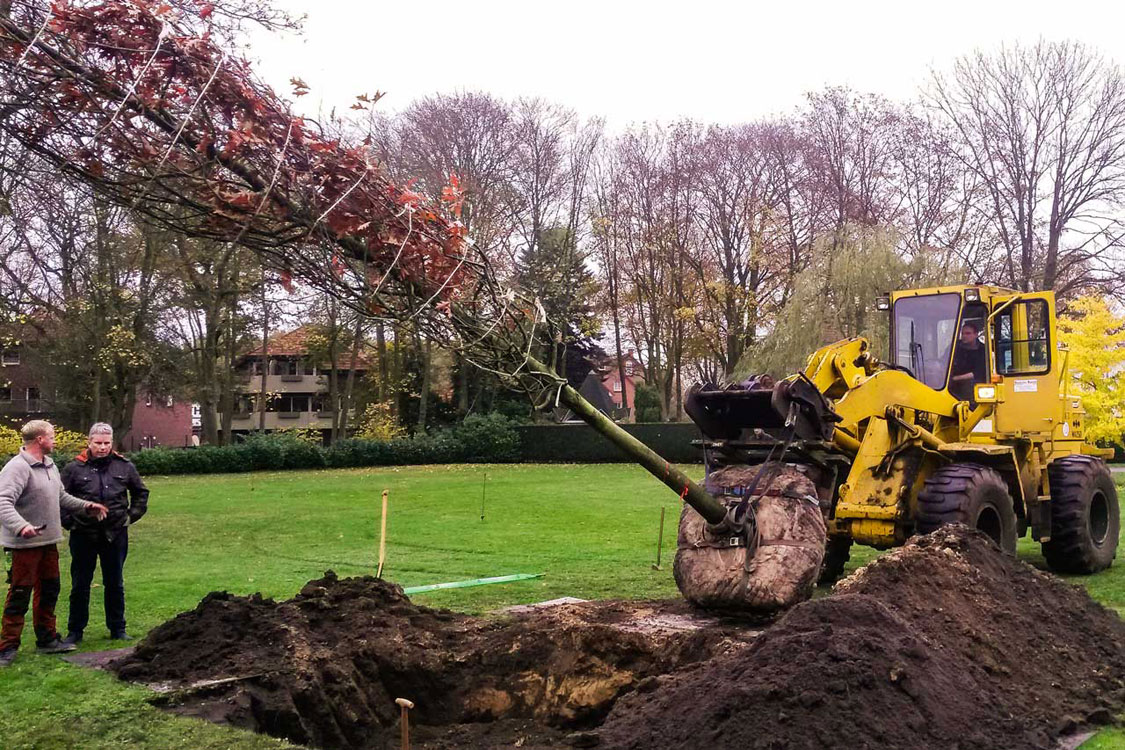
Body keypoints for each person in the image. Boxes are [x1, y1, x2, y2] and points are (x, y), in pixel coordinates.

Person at [0, 420, 108, 667]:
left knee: (49, 589)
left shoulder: (49, 465)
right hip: (23, 546)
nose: (55, 439)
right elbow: (3, 501)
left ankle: (47, 639)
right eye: (52, 436)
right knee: (19, 593)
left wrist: (86, 506)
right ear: (39, 439)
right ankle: (7, 647)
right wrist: (21, 526)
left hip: (48, 541)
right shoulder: (17, 468)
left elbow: (60, 496)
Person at [60, 423, 149, 645]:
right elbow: (59, 497)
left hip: (115, 533)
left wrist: (131, 516)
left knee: (115, 582)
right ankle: (75, 630)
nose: (102, 447)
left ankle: (117, 628)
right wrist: (68, 523)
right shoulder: (74, 468)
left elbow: (141, 493)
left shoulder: (124, 466)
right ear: (89, 442)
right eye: (98, 443)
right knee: (80, 583)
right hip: (83, 533)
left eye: (106, 443)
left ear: (112, 443)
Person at [949, 321, 988, 402]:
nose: (964, 336)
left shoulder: (983, 350)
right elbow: (945, 361)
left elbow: (976, 373)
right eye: (963, 333)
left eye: (968, 333)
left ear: (976, 334)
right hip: (950, 382)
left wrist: (954, 378)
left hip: (972, 384)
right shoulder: (955, 347)